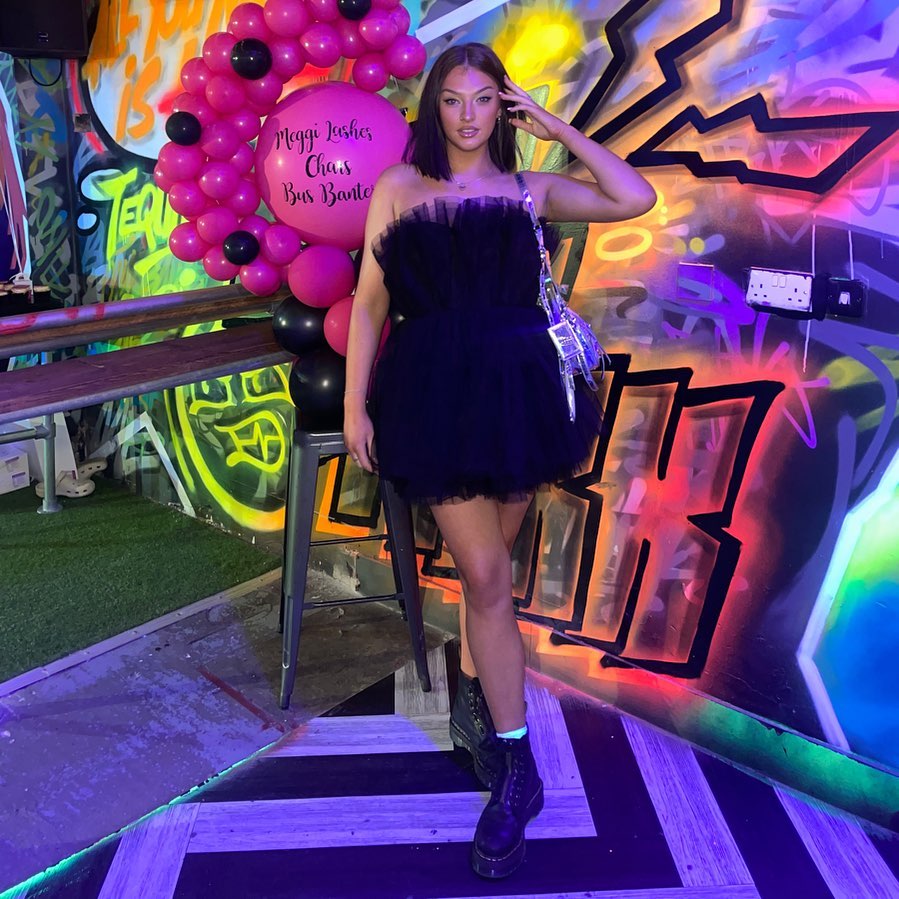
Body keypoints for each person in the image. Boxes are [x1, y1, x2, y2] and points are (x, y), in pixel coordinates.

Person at [344, 42, 656, 878]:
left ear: (503, 107)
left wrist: (556, 128)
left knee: (494, 577)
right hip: (433, 397)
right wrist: (353, 406)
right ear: (432, 108)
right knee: (485, 577)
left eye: (485, 99)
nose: (468, 115)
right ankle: (516, 766)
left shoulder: (529, 188)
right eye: (453, 99)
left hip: (520, 399)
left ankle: (478, 709)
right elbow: (369, 305)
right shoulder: (398, 188)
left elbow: (634, 195)